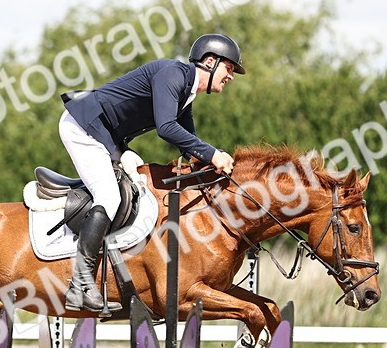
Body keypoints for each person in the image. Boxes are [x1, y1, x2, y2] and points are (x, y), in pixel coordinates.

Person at [58, 33, 246, 311]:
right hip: (84, 127)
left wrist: (218, 167)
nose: (230, 76)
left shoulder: (186, 93)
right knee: (109, 197)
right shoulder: (173, 74)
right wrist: (212, 153)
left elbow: (188, 144)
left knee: (139, 183)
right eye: (229, 68)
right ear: (210, 61)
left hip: (109, 139)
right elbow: (167, 128)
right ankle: (80, 283)